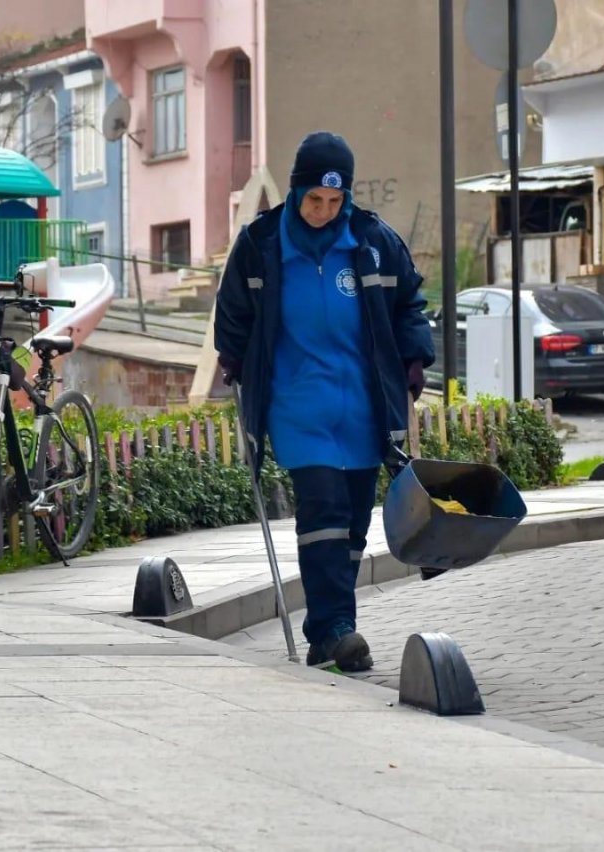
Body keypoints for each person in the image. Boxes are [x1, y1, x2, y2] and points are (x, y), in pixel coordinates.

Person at [214, 131, 435, 672]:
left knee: (355, 526)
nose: (324, 211)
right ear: (296, 191)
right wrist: (235, 359)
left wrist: (414, 357)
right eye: (314, 199)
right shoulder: (262, 244)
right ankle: (335, 627)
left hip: (363, 404)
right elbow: (233, 313)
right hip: (298, 405)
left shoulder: (372, 241)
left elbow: (409, 303)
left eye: (335, 201)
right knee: (324, 512)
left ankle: (328, 635)